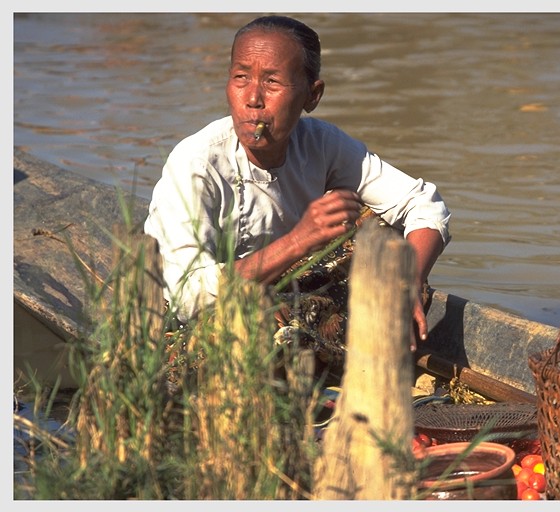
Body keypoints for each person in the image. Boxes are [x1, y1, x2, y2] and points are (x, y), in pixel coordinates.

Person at [144, 15, 451, 357]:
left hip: (281, 291)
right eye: (240, 78)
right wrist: (300, 240)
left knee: (380, 230)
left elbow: (423, 204)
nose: (253, 99)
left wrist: (408, 282)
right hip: (192, 315)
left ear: (312, 95)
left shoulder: (320, 143)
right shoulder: (197, 162)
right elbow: (188, 295)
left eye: (272, 82)